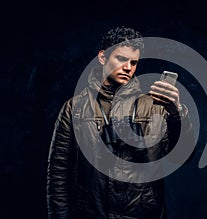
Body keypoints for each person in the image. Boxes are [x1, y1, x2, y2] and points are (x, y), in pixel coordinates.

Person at [47, 26, 195, 219]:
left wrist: (177, 114)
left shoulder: (154, 106)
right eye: (121, 59)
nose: (128, 68)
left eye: (134, 62)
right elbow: (59, 174)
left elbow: (183, 156)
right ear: (102, 57)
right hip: (91, 214)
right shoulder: (74, 108)